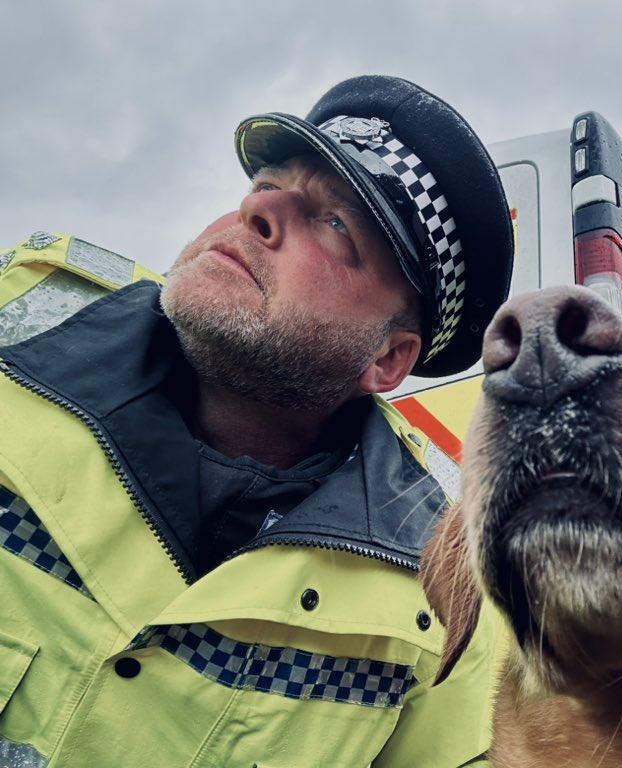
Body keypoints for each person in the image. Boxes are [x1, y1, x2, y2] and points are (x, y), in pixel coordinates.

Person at [0, 75, 514, 767]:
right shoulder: (18, 317)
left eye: (335, 225)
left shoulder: (442, 588)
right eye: (268, 181)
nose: (259, 210)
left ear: (388, 360)